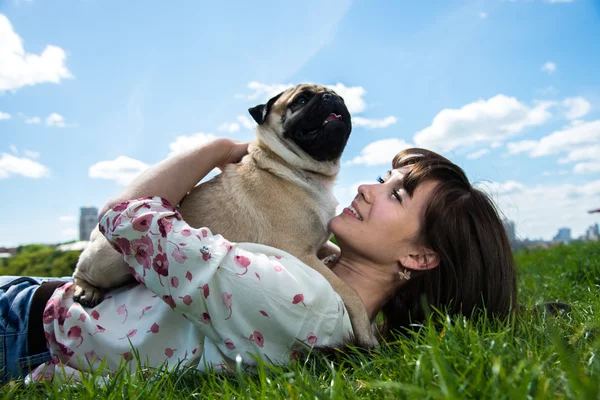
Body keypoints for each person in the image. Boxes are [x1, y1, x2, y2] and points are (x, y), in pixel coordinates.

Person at [0, 138, 517, 384]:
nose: (367, 187)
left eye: (397, 195)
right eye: (384, 178)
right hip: (52, 307)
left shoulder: (301, 301)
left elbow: (127, 220)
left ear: (419, 256)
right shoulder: (340, 306)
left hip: (27, 328)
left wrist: (217, 150)